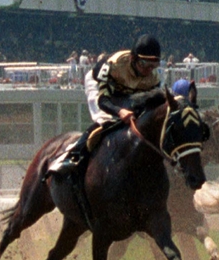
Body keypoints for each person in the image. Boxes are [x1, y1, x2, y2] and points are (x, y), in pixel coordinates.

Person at [52, 33, 165, 179]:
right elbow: (103, 101)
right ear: (133, 58)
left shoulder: (154, 77)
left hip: (126, 92)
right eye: (144, 63)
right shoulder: (114, 64)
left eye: (153, 65)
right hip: (99, 85)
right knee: (106, 120)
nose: (148, 70)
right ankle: (71, 156)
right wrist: (119, 111)